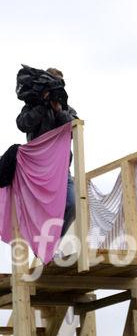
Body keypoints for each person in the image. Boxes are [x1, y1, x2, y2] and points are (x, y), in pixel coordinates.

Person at [16, 67, 77, 237]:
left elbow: (75, 130)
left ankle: (52, 242)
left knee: (72, 204)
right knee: (41, 210)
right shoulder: (32, 105)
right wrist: (42, 106)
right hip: (39, 168)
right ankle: (42, 243)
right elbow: (22, 124)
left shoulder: (66, 108)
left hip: (61, 168)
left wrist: (59, 110)